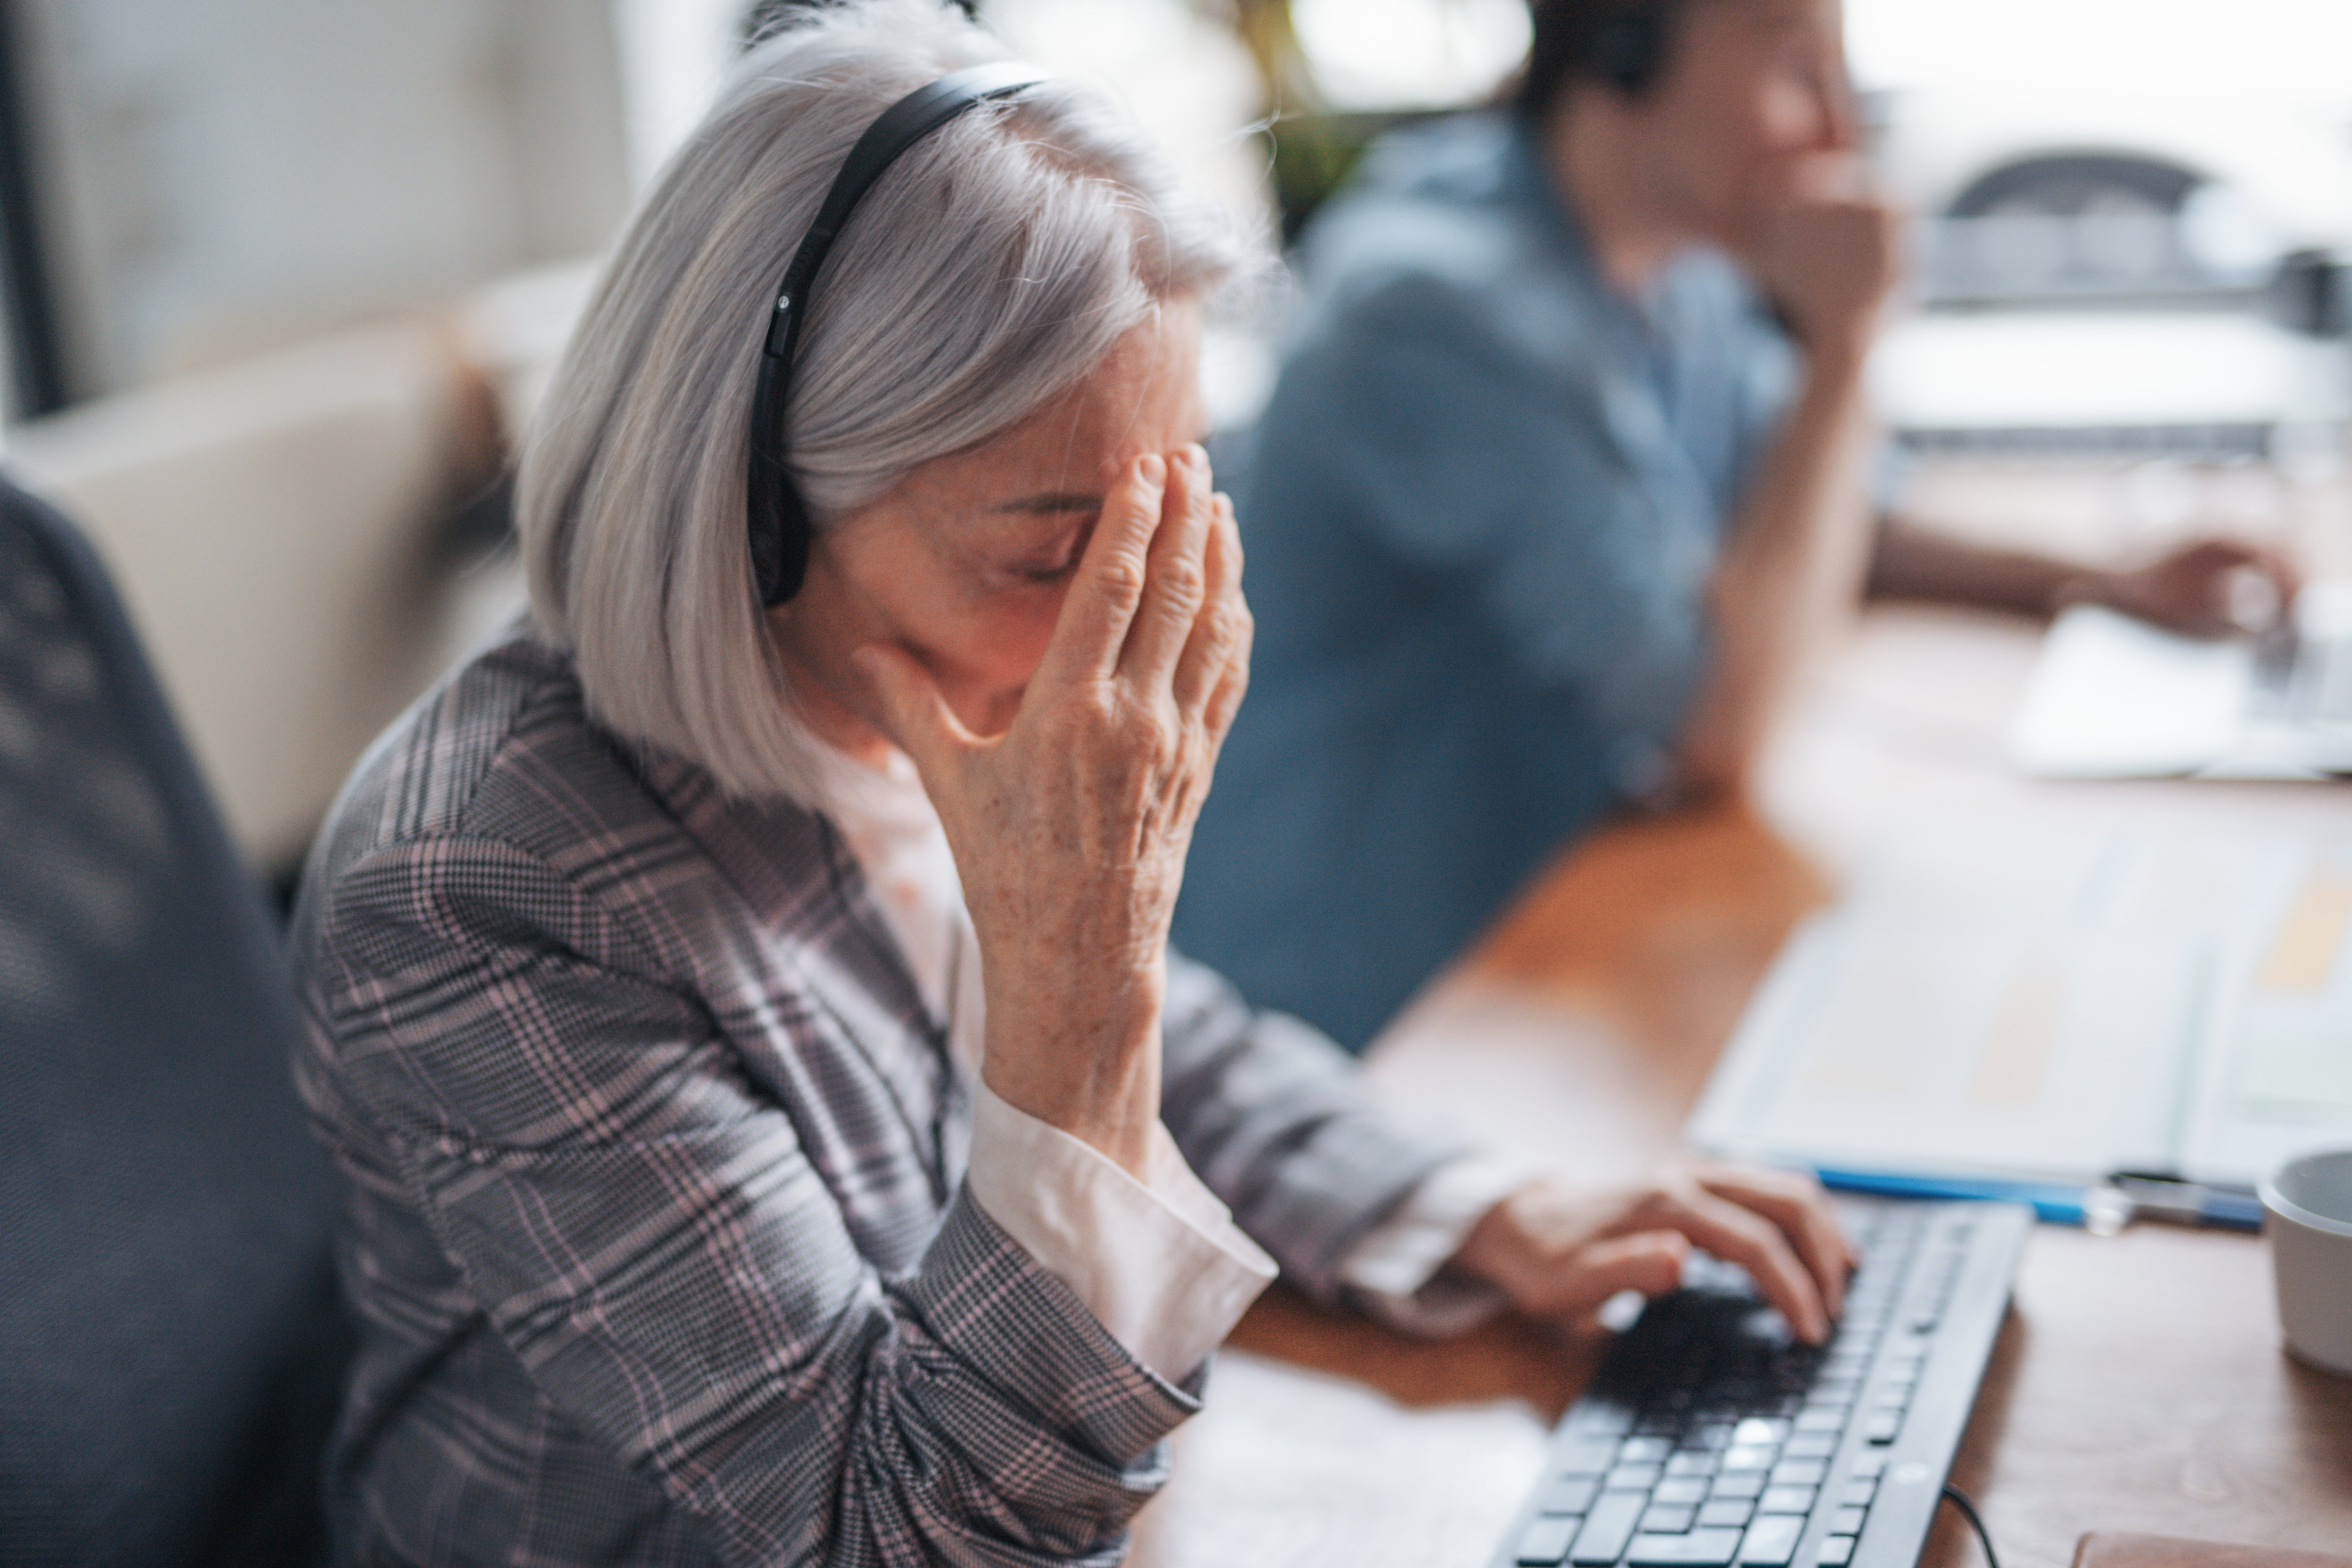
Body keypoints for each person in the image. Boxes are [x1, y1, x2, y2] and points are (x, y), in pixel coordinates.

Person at [286, 5, 1853, 1564]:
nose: (1120, 648)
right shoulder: (481, 893)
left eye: (1157, 536)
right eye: (1051, 559)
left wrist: (1475, 1208)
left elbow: (1183, 1051)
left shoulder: (883, 682)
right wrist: (1078, 964)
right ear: (753, 505)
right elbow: (902, 1529)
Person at [1172, 0, 2302, 1054]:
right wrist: (1841, 349)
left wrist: (2098, 577)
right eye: (1798, 69)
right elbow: (1712, 725)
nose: (1839, 132)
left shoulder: (1677, 258)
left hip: (1552, 928)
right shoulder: (1431, 313)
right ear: (1623, 42)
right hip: (1361, 1019)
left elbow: (1813, 518)